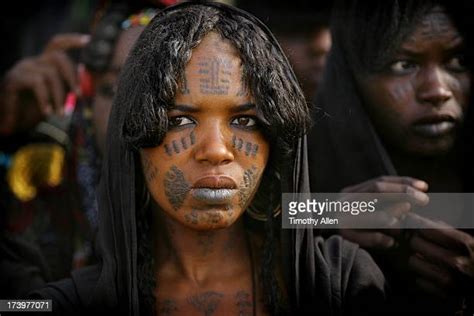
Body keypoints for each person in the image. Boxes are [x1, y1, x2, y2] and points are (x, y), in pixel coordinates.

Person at [32, 2, 387, 315]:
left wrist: (337, 211)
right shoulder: (71, 286)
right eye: (178, 121)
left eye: (244, 120)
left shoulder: (341, 281)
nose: (216, 150)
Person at [308, 0, 474, 314]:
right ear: (351, 78)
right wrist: (324, 216)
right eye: (403, 64)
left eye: (459, 60)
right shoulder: (297, 166)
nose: (437, 90)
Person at [0, 3, 162, 299]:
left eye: (159, 88)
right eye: (112, 90)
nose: (135, 110)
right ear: (86, 104)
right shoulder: (36, 202)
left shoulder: (247, 201)